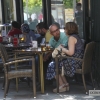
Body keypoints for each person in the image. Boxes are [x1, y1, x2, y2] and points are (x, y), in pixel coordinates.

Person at [46, 22, 84, 93]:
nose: (64, 30)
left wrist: (62, 49)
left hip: (75, 62)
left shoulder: (71, 38)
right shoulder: (75, 36)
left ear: (69, 29)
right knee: (56, 62)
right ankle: (65, 85)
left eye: (65, 28)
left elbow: (71, 52)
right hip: (78, 61)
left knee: (53, 64)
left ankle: (62, 85)